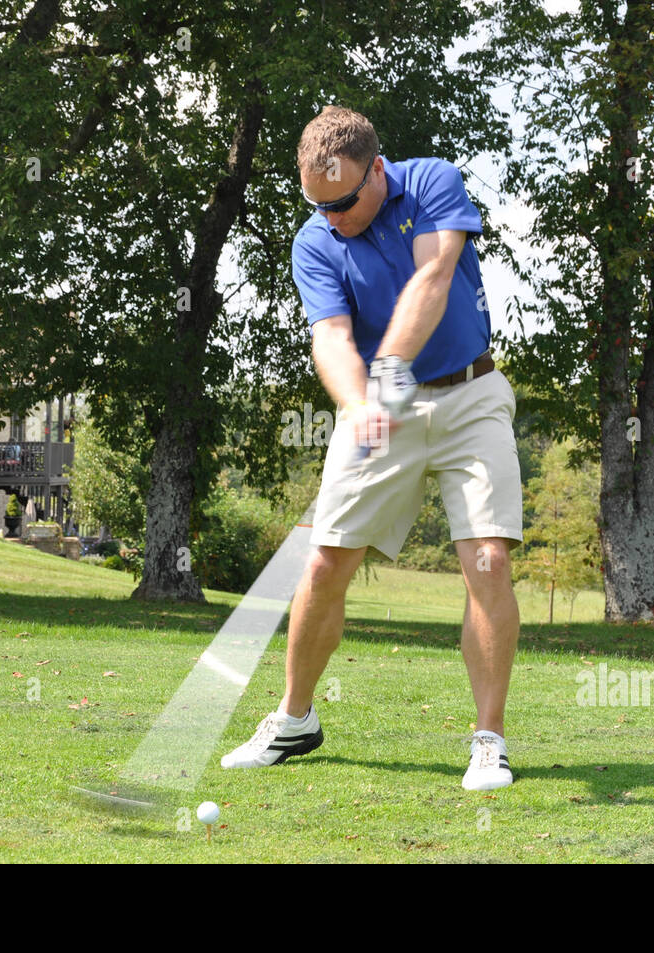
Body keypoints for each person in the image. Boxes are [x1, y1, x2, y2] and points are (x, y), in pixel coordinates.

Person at [220, 106, 523, 790]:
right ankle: (295, 718)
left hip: (469, 394)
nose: (333, 216)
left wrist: (386, 369)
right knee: (326, 562)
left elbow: (433, 279)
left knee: (487, 554)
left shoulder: (434, 183)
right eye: (317, 203)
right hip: (383, 407)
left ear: (377, 172)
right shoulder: (315, 240)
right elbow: (329, 336)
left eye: (345, 202)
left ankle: (488, 740)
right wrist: (359, 406)